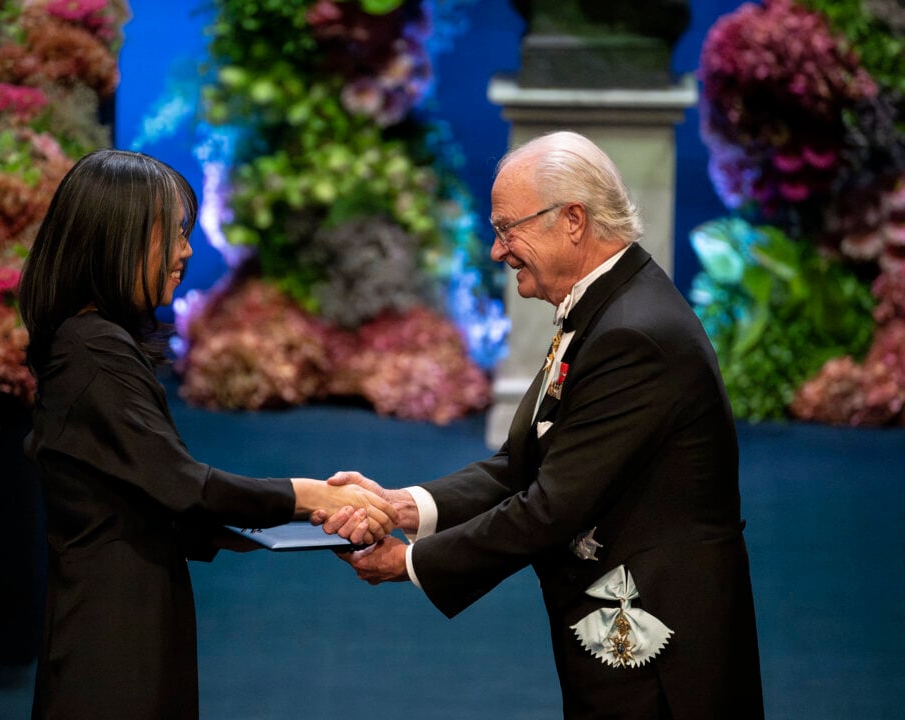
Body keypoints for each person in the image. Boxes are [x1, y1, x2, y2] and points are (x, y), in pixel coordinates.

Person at [323, 131, 764, 718]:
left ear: (573, 220)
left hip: (663, 658)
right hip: (620, 633)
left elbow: (552, 506)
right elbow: (521, 464)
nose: (497, 251)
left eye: (508, 228)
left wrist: (406, 563)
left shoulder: (633, 333)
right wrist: (402, 506)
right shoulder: (607, 304)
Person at [17, 148, 396, 720]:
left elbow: (156, 500)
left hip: (126, 615)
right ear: (118, 239)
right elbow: (182, 486)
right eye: (173, 235)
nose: (187, 252)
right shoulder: (92, 349)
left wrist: (299, 523)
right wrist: (313, 497)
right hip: (113, 637)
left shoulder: (89, 343)